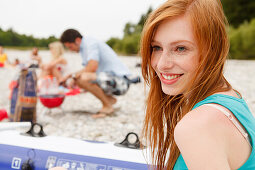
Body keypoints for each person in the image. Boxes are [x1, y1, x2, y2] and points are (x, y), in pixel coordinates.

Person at [140, 0, 255, 169]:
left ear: (213, 50)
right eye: (156, 48)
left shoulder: (196, 127)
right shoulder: (231, 98)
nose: (162, 64)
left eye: (180, 48)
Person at [60, 29, 131, 118]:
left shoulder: (90, 44)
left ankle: (108, 106)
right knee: (79, 79)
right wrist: (69, 77)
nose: (70, 50)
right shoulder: (85, 47)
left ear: (77, 40)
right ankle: (109, 100)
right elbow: (87, 69)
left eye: (70, 47)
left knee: (83, 78)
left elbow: (92, 68)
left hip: (122, 82)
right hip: (112, 80)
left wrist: (73, 77)